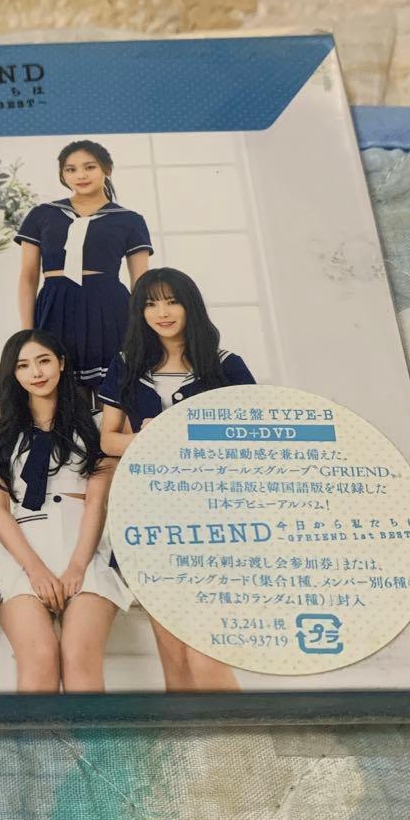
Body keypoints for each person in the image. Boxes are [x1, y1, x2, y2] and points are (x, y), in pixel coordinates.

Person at [99, 266, 255, 692]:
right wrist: (146, 440)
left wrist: (179, 436)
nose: (162, 313)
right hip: (148, 515)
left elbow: (251, 438)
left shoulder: (226, 366)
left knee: (207, 652)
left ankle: (242, 735)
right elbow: (109, 439)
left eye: (172, 301)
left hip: (211, 517)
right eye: (151, 304)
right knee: (176, 664)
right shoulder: (126, 365)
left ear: (190, 306)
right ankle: (192, 736)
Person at [0, 330, 131, 693]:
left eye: (44, 360)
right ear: (13, 374)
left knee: (80, 659)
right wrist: (35, 569)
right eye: (23, 365)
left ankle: (91, 737)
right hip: (20, 556)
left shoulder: (98, 426)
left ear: (61, 363)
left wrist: (77, 566)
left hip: (85, 549)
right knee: (39, 658)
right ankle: (36, 737)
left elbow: (96, 501)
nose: (36, 372)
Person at [15, 140, 152, 397]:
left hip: (109, 307)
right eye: (71, 169)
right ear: (62, 174)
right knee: (63, 390)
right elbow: (28, 276)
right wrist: (27, 330)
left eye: (90, 167)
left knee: (113, 391)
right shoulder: (42, 214)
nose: (80, 175)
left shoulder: (130, 220)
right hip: (55, 305)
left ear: (107, 169)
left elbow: (141, 281)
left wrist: (143, 327)